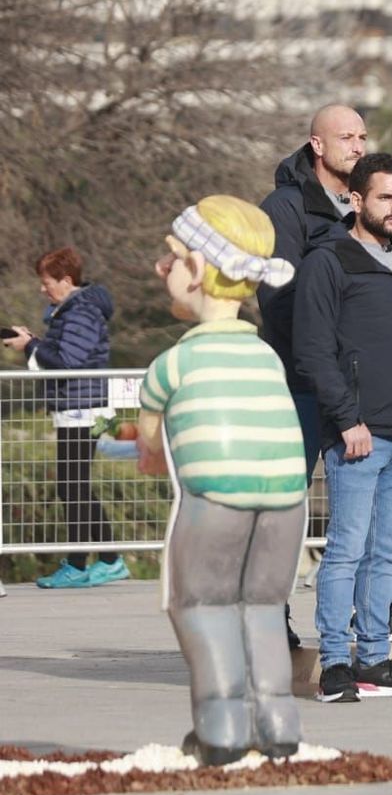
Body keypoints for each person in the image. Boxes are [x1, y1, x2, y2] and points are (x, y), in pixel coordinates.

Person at [134, 197, 307, 762]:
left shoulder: (174, 364)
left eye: (173, 260)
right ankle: (277, 717)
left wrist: (153, 458)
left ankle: (222, 725)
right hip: (286, 501)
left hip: (215, 500)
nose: (164, 272)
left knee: (201, 604)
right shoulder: (265, 357)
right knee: (260, 604)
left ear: (201, 271)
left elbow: (150, 441)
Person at [292, 153, 392, 701]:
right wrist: (346, 418)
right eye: (385, 197)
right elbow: (313, 350)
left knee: (386, 553)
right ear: (356, 200)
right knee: (347, 550)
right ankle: (336, 663)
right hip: (359, 437)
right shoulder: (328, 261)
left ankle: (375, 658)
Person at [257, 104, 369, 489]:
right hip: (298, 385)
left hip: (358, 391)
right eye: (346, 138)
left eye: (362, 138)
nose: (357, 147)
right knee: (283, 499)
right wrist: (328, 356)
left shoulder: (368, 210)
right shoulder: (284, 207)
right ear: (317, 144)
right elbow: (278, 298)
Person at [5, 247, 125, 589]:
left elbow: (67, 362)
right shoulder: (72, 311)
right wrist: (32, 342)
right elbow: (65, 356)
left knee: (72, 487)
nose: (42, 289)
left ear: (66, 280)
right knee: (75, 487)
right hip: (77, 407)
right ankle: (107, 559)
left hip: (82, 409)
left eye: (46, 282)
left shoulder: (80, 312)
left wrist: (30, 346)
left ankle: (85, 562)